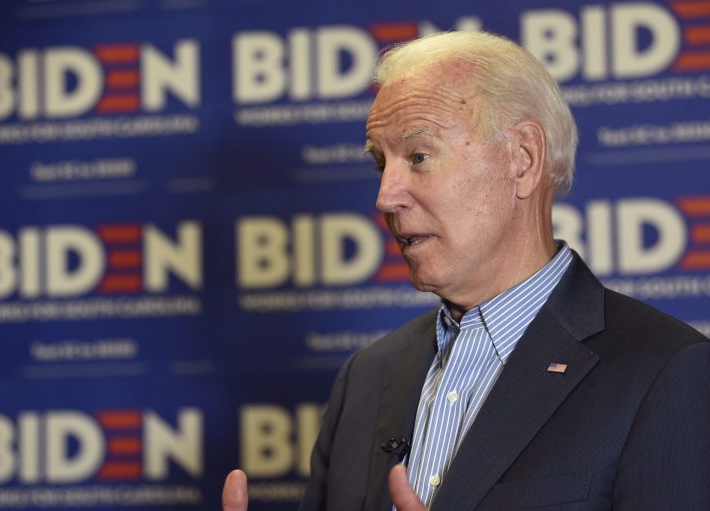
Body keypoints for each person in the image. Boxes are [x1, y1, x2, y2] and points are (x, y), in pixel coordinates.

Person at [223, 31, 710, 510]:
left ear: (522, 160)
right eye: (380, 164)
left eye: (418, 156)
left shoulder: (668, 372)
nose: (386, 197)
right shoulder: (365, 378)